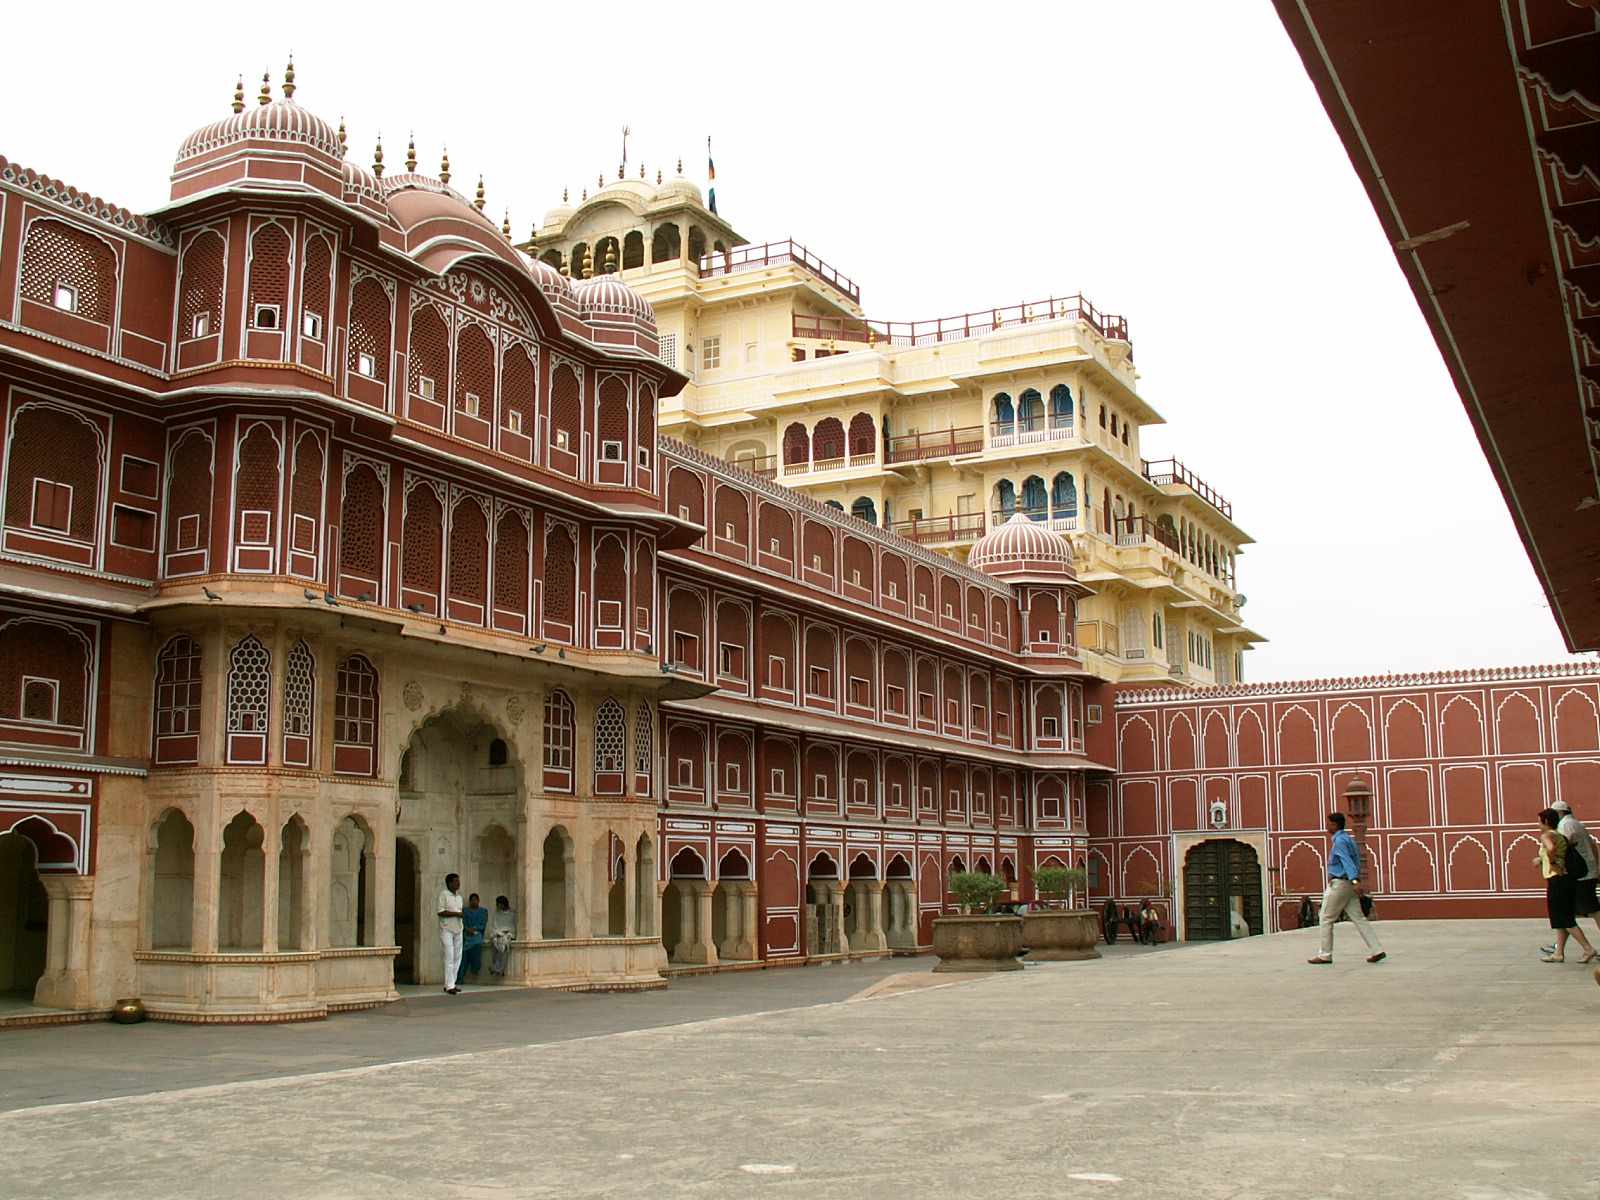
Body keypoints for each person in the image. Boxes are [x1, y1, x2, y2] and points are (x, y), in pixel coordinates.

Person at [1307, 812, 1385, 965]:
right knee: (1358, 918)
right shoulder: (1348, 839)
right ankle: (1377, 949)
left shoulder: (1340, 842)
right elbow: (1355, 860)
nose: (1326, 826)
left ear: (1334, 825)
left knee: (1326, 917)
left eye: (1328, 823)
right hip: (1348, 884)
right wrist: (1355, 881)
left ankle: (1325, 954)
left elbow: (1347, 861)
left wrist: (1355, 880)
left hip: (1341, 883)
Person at [1537, 808, 1596, 964]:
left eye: (1539, 822)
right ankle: (1559, 952)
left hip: (1557, 880)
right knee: (1561, 919)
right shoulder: (1561, 836)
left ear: (1546, 822)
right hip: (1567, 880)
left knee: (1565, 919)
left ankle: (1588, 948)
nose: (1538, 825)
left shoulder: (1547, 835)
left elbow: (1551, 848)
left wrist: (1552, 864)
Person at [1552, 800, 1600, 946]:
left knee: (1592, 910)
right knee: (1568, 912)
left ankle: (1581, 949)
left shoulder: (1565, 826)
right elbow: (1592, 847)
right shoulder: (1576, 824)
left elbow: (1561, 846)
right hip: (1586, 871)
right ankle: (1559, 949)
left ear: (1560, 813)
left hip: (1581, 874)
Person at [437, 873, 464, 994]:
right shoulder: (444, 895)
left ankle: (451, 982)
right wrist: (456, 914)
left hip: (458, 928)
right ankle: (449, 985)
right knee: (449, 956)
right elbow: (440, 911)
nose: (458, 883)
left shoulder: (459, 897)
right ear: (449, 883)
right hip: (446, 928)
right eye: (456, 881)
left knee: (457, 956)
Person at [458, 893, 488, 984]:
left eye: (475, 900)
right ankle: (460, 977)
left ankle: (475, 967)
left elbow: (483, 925)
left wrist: (474, 928)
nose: (474, 902)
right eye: (472, 900)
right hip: (467, 934)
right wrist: (467, 930)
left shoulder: (483, 912)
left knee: (477, 945)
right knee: (462, 953)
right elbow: (462, 923)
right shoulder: (465, 911)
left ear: (478, 901)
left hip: (477, 934)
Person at [488, 895, 516, 976]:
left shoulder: (512, 912)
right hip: (498, 932)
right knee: (495, 942)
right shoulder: (496, 912)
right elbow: (495, 925)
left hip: (508, 933)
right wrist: (497, 932)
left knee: (504, 944)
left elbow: (512, 926)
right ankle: (496, 966)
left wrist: (506, 932)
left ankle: (498, 968)